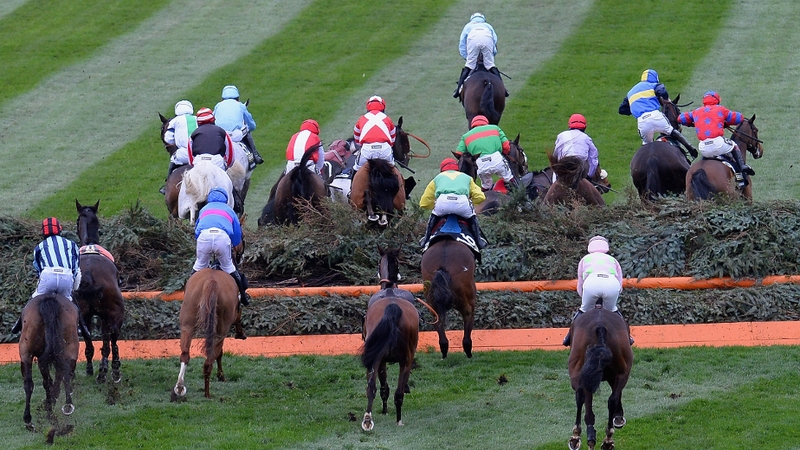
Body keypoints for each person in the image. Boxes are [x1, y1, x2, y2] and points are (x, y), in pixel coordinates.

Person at [10, 218, 89, 338]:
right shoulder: (71, 244)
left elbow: (38, 269)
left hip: (48, 275)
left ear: (43, 232)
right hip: (67, 276)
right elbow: (76, 268)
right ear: (60, 229)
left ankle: (18, 324)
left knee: (34, 300)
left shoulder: (39, 247)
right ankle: (80, 327)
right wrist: (73, 287)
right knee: (70, 303)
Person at [562, 236, 633, 347]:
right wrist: (616, 293)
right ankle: (627, 337)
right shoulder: (613, 260)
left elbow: (581, 280)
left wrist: (583, 296)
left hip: (591, 283)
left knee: (583, 310)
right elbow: (619, 281)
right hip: (611, 283)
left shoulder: (585, 259)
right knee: (613, 310)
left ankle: (569, 336)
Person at [677, 91, 755, 186]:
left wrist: (691, 123)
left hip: (703, 147)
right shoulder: (720, 109)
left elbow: (681, 118)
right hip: (718, 144)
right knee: (734, 145)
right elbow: (739, 118)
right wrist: (725, 122)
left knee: (706, 157)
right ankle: (742, 168)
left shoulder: (696, 111)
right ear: (717, 101)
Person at [192, 187, 249, 307]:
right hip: (222, 239)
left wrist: (201, 242)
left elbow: (196, 230)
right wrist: (233, 244)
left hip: (204, 237)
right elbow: (237, 233)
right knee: (229, 267)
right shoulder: (229, 210)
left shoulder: (203, 210)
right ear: (225, 199)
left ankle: (187, 295)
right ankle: (243, 296)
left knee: (198, 267)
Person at [619, 69, 697, 156]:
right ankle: (690, 148)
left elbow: (622, 110)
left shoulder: (630, 92)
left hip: (642, 122)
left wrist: (636, 108)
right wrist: (666, 99)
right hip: (655, 116)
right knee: (671, 131)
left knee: (646, 147)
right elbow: (662, 91)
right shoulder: (654, 85)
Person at [419, 158, 487, 249]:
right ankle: (479, 241)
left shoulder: (437, 178)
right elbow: (481, 197)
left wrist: (434, 206)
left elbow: (424, 203)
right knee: (472, 217)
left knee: (433, 217)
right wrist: (471, 202)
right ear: (457, 169)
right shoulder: (467, 178)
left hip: (442, 203)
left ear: (441, 170)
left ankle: (425, 240)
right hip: (462, 203)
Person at [454, 12, 506, 98]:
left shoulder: (468, 26)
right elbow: (494, 43)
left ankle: (458, 90)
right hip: (487, 38)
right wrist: (490, 58)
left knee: (469, 65)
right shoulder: (488, 26)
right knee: (490, 65)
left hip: (473, 38)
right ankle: (503, 89)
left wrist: (469, 59)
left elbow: (462, 46)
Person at [456, 115, 515, 190]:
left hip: (481, 164)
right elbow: (506, 146)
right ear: (486, 123)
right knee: (509, 178)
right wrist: (505, 153)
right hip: (497, 160)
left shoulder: (465, 136)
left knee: (486, 186)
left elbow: (459, 153)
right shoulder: (495, 128)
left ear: (472, 125)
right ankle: (522, 196)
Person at [213, 85, 263, 165]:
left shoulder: (218, 105)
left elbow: (212, 119)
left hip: (220, 136)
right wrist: (250, 127)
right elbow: (252, 125)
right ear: (237, 98)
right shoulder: (241, 106)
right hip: (235, 136)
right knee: (247, 129)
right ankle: (255, 154)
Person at [160, 100, 197, 194]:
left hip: (183, 154)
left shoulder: (174, 121)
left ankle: (167, 186)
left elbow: (168, 139)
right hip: (198, 155)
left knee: (173, 159)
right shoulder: (197, 119)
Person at [352, 95, 396, 174]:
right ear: (383, 108)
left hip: (367, 150)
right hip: (385, 150)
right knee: (394, 171)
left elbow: (357, 138)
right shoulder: (387, 119)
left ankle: (351, 185)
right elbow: (392, 140)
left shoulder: (362, 119)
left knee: (356, 169)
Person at [553, 114, 600, 181]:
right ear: (585, 127)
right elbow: (593, 158)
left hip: (563, 167)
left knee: (554, 178)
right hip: (579, 168)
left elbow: (556, 155)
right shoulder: (586, 138)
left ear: (569, 125)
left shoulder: (561, 135)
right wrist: (589, 175)